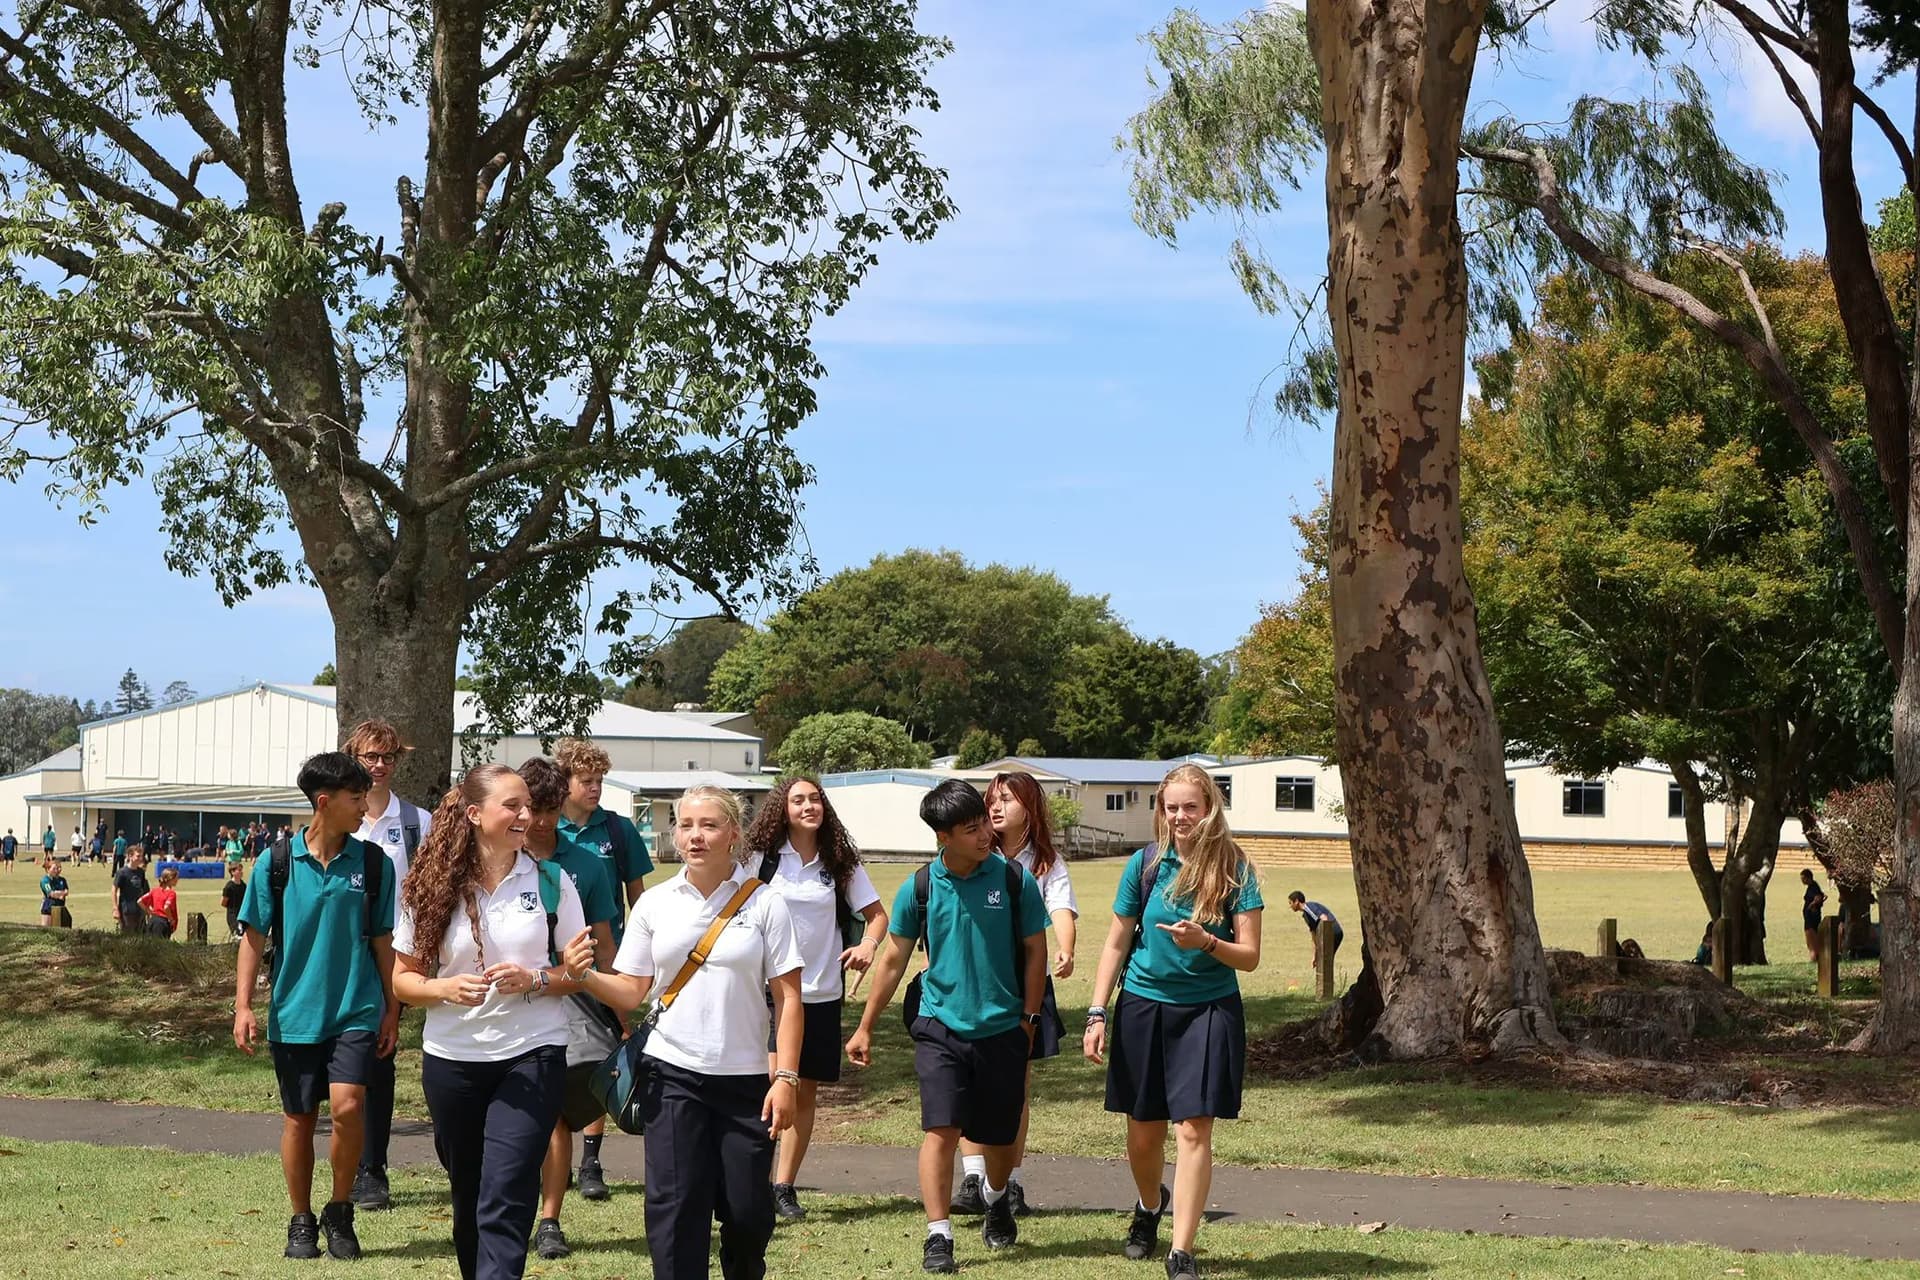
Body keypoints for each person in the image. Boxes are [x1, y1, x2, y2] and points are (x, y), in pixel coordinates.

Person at [563, 783, 803, 1280]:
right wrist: (581, 974)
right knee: (675, 1208)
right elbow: (632, 991)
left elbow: (789, 997)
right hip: (672, 1076)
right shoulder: (655, 905)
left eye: (708, 825)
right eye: (685, 825)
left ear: (733, 834)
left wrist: (786, 1078)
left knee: (748, 1213)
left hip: (745, 1081)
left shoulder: (766, 904)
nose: (694, 836)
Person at [391, 764, 587, 1280]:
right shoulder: (429, 886)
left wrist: (537, 980)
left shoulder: (552, 881)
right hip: (452, 1060)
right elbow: (402, 981)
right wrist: (443, 988)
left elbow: (578, 973)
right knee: (471, 1194)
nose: (528, 815)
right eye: (513, 806)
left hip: (533, 1054)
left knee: (506, 1188)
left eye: (529, 806)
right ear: (475, 814)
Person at [847, 779, 1048, 1275]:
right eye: (970, 829)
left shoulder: (1014, 880)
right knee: (941, 1129)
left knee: (999, 1139)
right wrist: (865, 1026)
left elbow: (1035, 952)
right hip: (940, 1024)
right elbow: (893, 958)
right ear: (943, 837)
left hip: (1003, 1028)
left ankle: (997, 1198)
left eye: (984, 822)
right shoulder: (920, 886)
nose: (985, 835)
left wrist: (1028, 1018)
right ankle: (939, 1235)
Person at [1082, 764, 1264, 1280]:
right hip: (1143, 1004)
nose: (1181, 816)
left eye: (1191, 806)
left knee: (1193, 1128)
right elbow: (1116, 941)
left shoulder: (1235, 869)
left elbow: (1249, 956)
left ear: (1209, 809)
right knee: (1143, 1133)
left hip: (1209, 1009)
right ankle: (1148, 1203)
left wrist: (1206, 941)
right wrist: (1097, 1012)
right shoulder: (1144, 864)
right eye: (1172, 807)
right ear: (1161, 810)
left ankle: (1181, 1251)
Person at [233, 751, 399, 1262]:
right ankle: (302, 1217)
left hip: (356, 1010)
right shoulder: (275, 863)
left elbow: (383, 944)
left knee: (349, 1107)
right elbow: (253, 938)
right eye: (356, 799)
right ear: (323, 802)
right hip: (295, 1013)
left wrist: (392, 1008)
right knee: (299, 1120)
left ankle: (340, 1210)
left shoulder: (374, 864)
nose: (364, 808)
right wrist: (242, 1007)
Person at [743, 775, 888, 1222]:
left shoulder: (839, 860)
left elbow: (877, 916)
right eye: (798, 800)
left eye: (815, 799)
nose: (809, 806)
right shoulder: (760, 859)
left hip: (822, 993)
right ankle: (749, 1181)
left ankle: (783, 1186)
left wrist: (867, 945)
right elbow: (732, 907)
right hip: (767, 992)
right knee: (769, 1087)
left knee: (804, 1096)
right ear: (781, 809)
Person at [950, 770, 1075, 1220]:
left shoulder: (1045, 862)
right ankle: (972, 1174)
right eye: (992, 799)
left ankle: (1010, 1183)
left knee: (1012, 1089)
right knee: (966, 1080)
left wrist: (1066, 946)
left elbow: (1060, 909)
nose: (995, 807)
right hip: (970, 982)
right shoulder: (971, 851)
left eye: (1006, 799)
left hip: (1024, 985)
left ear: (1031, 806)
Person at [518, 756, 621, 1261]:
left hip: (573, 1000)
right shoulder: (494, 857)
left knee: (558, 1113)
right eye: (532, 808)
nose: (539, 821)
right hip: (506, 1003)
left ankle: (550, 1220)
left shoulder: (586, 865)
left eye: (549, 809)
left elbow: (603, 944)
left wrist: (621, 1009)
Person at [552, 735, 652, 1199]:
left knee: (600, 1053)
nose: (594, 789)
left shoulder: (616, 830)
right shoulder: (544, 829)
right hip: (550, 964)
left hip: (603, 956)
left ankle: (591, 1160)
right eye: (585, 780)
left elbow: (639, 896)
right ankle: (555, 1159)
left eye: (599, 781)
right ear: (563, 782)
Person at [345, 719, 435, 1213]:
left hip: (395, 955)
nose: (379, 766)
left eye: (388, 757)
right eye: (370, 757)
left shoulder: (418, 821)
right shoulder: (341, 816)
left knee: (381, 1060)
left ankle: (372, 1168)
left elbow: (431, 893)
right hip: (341, 954)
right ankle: (349, 1162)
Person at [1286, 892, 1343, 968]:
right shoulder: (1306, 915)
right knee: (1323, 961)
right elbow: (1313, 937)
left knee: (1325, 960)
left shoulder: (1309, 907)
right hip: (1328, 934)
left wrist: (1324, 941)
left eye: (1290, 903)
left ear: (1296, 901)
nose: (1290, 906)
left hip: (1333, 932)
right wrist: (1314, 956)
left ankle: (1327, 979)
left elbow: (1324, 919)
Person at [113, 848, 150, 934]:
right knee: (127, 936)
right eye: (138, 856)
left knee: (141, 935)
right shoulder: (122, 872)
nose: (140, 858)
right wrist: (115, 909)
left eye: (141, 856)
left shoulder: (141, 872)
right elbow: (114, 890)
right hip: (126, 910)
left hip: (140, 910)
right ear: (130, 856)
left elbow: (144, 891)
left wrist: (147, 908)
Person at [139, 867, 181, 938]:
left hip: (152, 921)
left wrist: (149, 912)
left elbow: (140, 901)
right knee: (161, 945)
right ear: (170, 879)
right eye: (176, 878)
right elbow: (166, 907)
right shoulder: (171, 893)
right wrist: (171, 919)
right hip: (162, 922)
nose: (177, 880)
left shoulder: (154, 890)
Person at [1802, 868, 1828, 962]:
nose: (1802, 881)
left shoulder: (1813, 887)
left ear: (1808, 878)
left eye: (1803, 878)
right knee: (1812, 939)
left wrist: (1811, 905)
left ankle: (1814, 958)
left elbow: (1819, 897)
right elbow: (1823, 895)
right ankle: (1815, 957)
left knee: (1811, 940)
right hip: (1811, 917)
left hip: (1811, 919)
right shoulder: (1814, 886)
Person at [221, 860, 248, 941]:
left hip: (242, 915)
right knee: (238, 936)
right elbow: (223, 902)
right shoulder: (229, 887)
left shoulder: (243, 885)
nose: (241, 872)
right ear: (232, 872)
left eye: (241, 870)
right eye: (238, 870)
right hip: (233, 915)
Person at [39, 856, 69, 927]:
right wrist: (60, 894)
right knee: (46, 929)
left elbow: (66, 892)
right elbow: (51, 893)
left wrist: (59, 894)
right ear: (48, 869)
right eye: (54, 869)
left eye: (56, 868)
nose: (56, 870)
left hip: (60, 907)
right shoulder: (45, 880)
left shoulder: (60, 879)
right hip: (48, 907)